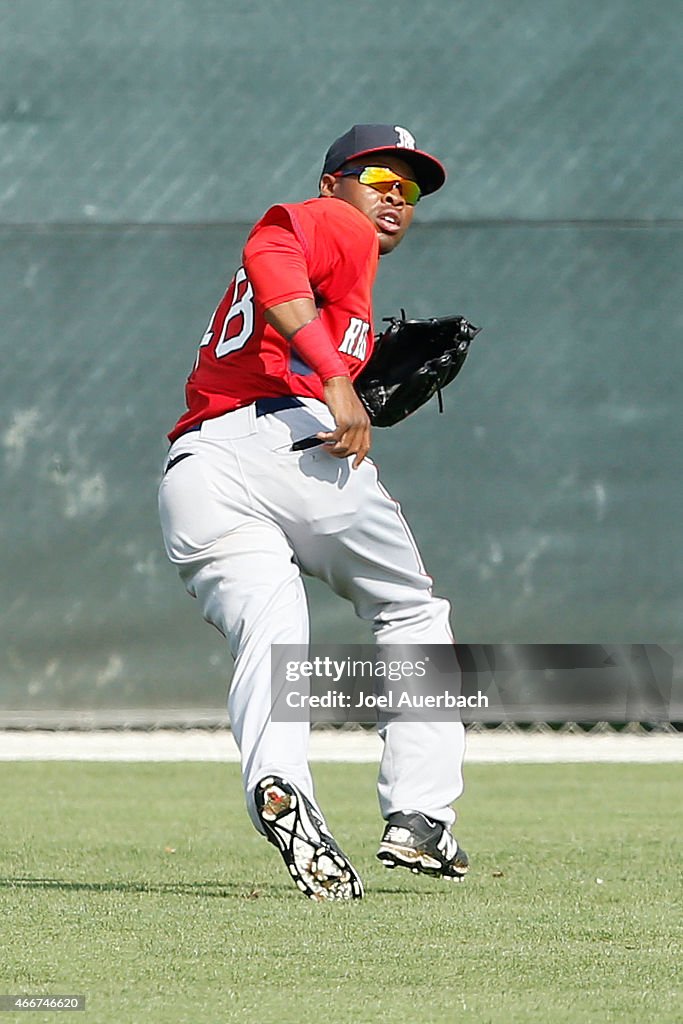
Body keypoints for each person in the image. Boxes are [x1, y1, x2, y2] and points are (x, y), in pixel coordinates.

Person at [158, 124, 468, 901]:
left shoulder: (341, 253)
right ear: (333, 183)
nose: (394, 197)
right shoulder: (334, 223)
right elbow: (269, 247)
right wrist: (335, 377)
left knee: (272, 632)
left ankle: (276, 781)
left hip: (197, 470)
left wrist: (344, 374)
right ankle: (421, 816)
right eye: (377, 178)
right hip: (290, 443)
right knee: (408, 609)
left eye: (411, 188)